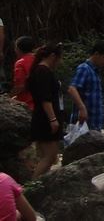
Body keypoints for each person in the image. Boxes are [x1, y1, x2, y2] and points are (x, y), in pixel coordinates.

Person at [27, 43, 65, 179]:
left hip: (47, 117)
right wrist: (52, 119)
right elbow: (45, 98)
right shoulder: (42, 71)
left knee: (50, 156)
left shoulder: (42, 71)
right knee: (49, 156)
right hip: (45, 118)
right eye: (60, 58)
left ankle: (39, 185)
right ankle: (31, 187)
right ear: (53, 56)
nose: (60, 62)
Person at [66, 40, 104, 131]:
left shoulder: (95, 72)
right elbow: (72, 89)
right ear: (96, 54)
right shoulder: (84, 68)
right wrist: (82, 108)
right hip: (83, 122)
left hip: (94, 122)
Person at [10, 37, 36, 109]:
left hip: (27, 102)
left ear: (18, 49)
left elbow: (20, 86)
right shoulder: (38, 59)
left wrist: (9, 96)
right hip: (41, 100)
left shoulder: (20, 63)